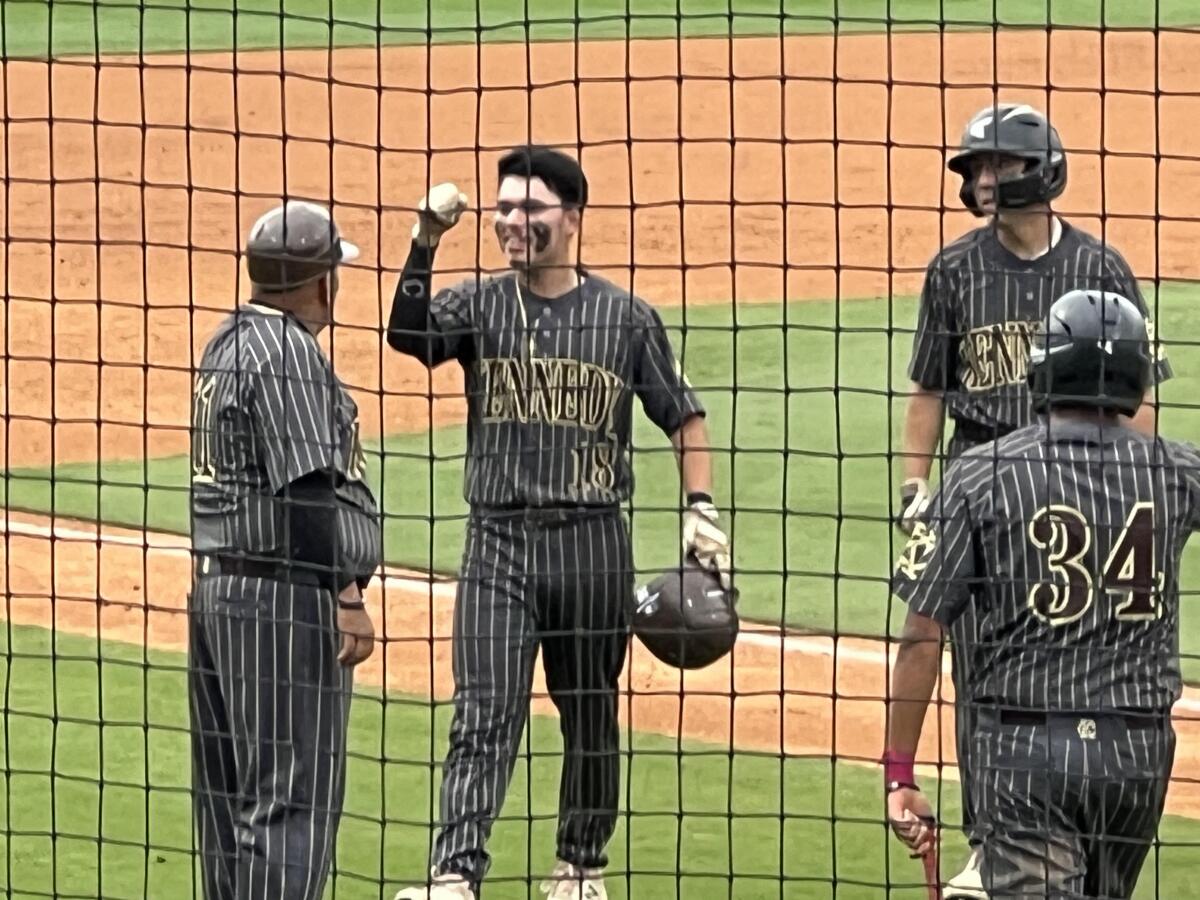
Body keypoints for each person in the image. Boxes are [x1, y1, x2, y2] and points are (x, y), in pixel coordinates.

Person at [385, 146, 731, 900]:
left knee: (591, 713)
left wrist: (700, 510)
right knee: (484, 709)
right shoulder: (479, 305)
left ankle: (580, 867)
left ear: (571, 219)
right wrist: (424, 239)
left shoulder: (626, 317)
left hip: (592, 541)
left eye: (530, 208)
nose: (511, 221)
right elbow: (409, 337)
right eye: (505, 208)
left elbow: (685, 416)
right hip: (498, 542)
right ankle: (454, 874)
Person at [895, 102, 1173, 897]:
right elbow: (929, 390)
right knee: (978, 667)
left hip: (1079, 486)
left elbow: (1141, 395)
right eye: (975, 169)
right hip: (981, 488)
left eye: (999, 166)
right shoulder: (955, 271)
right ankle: (992, 839)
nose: (983, 181)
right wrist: (918, 488)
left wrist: (1129, 476)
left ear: (1040, 170)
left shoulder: (1102, 270)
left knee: (1066, 657)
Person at [189, 200, 381, 899]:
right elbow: (306, 490)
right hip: (281, 598)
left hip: (219, 593)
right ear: (322, 282)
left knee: (230, 800)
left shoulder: (226, 340)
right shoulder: (289, 354)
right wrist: (347, 594)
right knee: (289, 802)